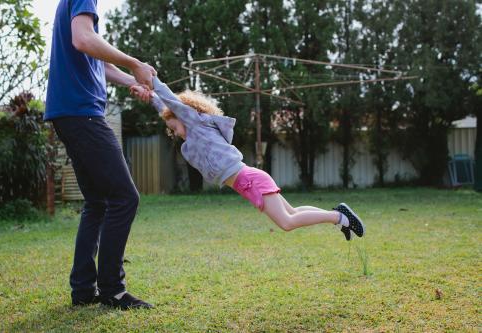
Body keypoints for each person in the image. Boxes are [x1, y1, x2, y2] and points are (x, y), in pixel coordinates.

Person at [130, 79, 366, 240]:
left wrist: (153, 81)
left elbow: (171, 101)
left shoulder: (196, 123)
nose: (176, 133)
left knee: (286, 223)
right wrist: (150, 97)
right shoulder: (193, 135)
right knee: (292, 212)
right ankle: (339, 215)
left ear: (184, 116)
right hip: (248, 181)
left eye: (174, 127)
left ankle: (339, 217)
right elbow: (165, 107)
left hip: (249, 179)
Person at [45, 0, 155, 310]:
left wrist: (132, 79)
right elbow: (83, 39)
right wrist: (134, 62)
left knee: (98, 202)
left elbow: (98, 61)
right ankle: (113, 290)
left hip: (70, 113)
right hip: (82, 113)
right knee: (125, 197)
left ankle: (83, 289)